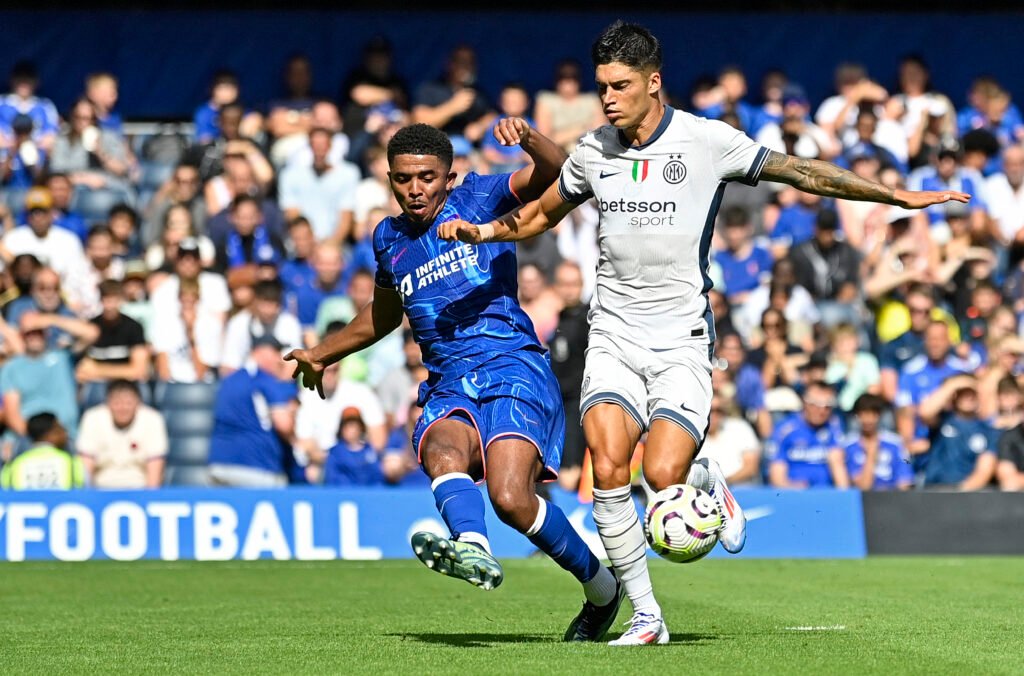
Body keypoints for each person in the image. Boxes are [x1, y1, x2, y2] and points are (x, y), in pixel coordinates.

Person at [437, 21, 965, 645]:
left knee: (662, 477)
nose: (607, 98)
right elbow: (542, 213)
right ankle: (646, 616)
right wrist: (486, 232)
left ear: (653, 83)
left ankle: (704, 483)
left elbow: (801, 172)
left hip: (681, 336)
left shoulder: (706, 142)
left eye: (620, 86)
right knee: (607, 465)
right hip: (612, 333)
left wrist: (893, 195)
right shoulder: (592, 150)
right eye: (602, 85)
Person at [285, 121, 623, 643]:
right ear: (390, 180)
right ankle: (472, 545)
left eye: (425, 177)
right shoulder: (388, 239)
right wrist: (319, 354)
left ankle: (602, 589)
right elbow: (381, 316)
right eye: (402, 179)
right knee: (442, 447)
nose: (414, 189)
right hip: (447, 379)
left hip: (512, 365)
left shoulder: (481, 196)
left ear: (448, 177)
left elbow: (559, 173)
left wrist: (529, 137)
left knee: (512, 499)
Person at [208, 335, 297, 487]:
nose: (279, 359)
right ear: (259, 352)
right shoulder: (265, 380)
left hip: (218, 466)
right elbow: (284, 425)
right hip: (256, 466)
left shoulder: (228, 381)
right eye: (275, 352)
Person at [77, 379, 168, 488]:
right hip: (101, 490)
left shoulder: (152, 419)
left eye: (128, 403)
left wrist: (148, 499)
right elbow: (86, 468)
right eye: (117, 403)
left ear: (138, 402)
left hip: (140, 489)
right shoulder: (92, 418)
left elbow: (155, 471)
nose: (123, 408)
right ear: (108, 403)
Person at [278, 127, 360, 244]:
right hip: (302, 243)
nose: (319, 149)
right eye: (315, 145)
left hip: (334, 244)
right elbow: (292, 214)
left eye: (323, 144)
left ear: (330, 146)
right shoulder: (290, 175)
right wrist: (309, 242)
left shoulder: (348, 174)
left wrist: (331, 245)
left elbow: (346, 216)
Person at [919, 375, 998, 490]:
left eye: (972, 393)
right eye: (963, 393)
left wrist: (959, 492)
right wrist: (954, 384)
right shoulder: (943, 419)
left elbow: (984, 470)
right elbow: (924, 412)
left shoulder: (987, 430)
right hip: (933, 490)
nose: (968, 397)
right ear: (955, 395)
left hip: (966, 493)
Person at [549, 261, 589, 491]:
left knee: (569, 474)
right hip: (559, 406)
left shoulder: (588, 320)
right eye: (564, 284)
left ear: (582, 285)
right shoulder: (561, 318)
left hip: (578, 406)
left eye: (573, 284)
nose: (569, 289)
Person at [767, 381, 849, 489]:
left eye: (827, 406)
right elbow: (776, 476)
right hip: (792, 495)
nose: (822, 411)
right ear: (805, 402)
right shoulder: (785, 429)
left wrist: (843, 498)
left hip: (826, 495)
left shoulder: (834, 426)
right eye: (816, 404)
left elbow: (839, 469)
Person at [1, 187, 88, 284]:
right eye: (33, 212)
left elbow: (77, 274)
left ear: (52, 213)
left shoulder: (69, 240)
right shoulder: (13, 238)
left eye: (43, 212)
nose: (38, 217)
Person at [221, 279, 301, 374]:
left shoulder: (289, 324)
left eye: (272, 305)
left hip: (277, 379)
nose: (268, 311)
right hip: (247, 378)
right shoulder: (238, 323)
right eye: (264, 305)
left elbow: (293, 367)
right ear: (255, 301)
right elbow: (228, 365)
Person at [843, 393, 913, 491]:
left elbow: (905, 481)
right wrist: (871, 455)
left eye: (873, 414)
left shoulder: (895, 443)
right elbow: (863, 487)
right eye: (863, 415)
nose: (868, 420)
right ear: (856, 416)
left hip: (892, 499)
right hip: (863, 501)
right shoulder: (848, 446)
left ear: (879, 415)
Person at [0, 413, 83, 490]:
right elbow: (84, 491)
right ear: (49, 434)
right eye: (60, 428)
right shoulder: (71, 462)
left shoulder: (13, 465)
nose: (65, 432)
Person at [696, 391, 761, 486]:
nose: (713, 415)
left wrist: (723, 484)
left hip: (740, 490)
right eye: (710, 410)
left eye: (718, 410)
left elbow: (751, 467)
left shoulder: (740, 427)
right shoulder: (693, 437)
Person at [322, 407, 385, 487]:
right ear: (341, 429)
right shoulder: (335, 453)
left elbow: (377, 477)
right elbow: (332, 478)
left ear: (361, 428)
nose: (351, 430)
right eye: (347, 426)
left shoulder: (369, 451)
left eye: (353, 425)